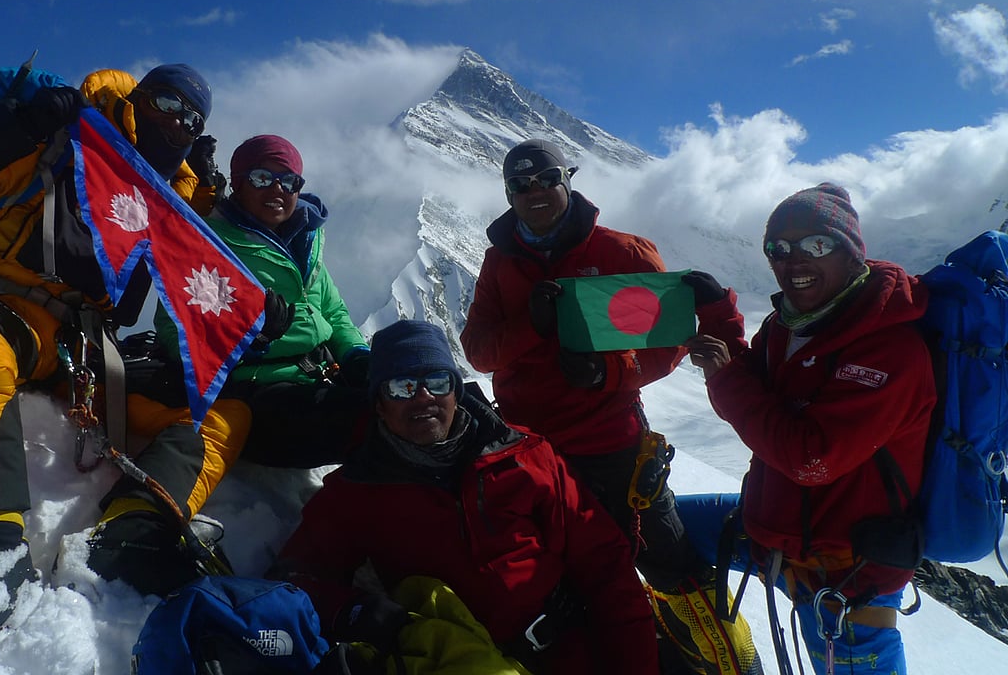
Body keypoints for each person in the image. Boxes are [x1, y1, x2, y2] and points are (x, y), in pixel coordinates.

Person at [0, 62, 253, 670]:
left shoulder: (175, 193)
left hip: (85, 344)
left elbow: (205, 270)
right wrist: (19, 124)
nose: (176, 122)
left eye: (192, 119)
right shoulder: (61, 135)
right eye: (166, 101)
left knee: (220, 411)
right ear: (138, 96)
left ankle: (135, 530)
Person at [459, 138, 761, 675]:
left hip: (613, 449)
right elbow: (479, 351)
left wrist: (608, 373)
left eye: (546, 179)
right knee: (574, 581)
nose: (534, 193)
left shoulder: (623, 253)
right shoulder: (498, 263)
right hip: (530, 455)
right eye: (519, 186)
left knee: (674, 567)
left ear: (568, 180)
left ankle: (732, 666)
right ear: (508, 194)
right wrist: (533, 325)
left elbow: (667, 344)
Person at [269, 319, 660, 674]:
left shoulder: (527, 455)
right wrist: (357, 612)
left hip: (574, 649)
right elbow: (295, 579)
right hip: (457, 660)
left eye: (437, 382)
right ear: (379, 404)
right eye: (402, 386)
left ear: (456, 392)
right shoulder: (357, 491)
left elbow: (606, 565)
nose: (423, 397)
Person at [683, 183, 935, 675]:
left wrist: (726, 380)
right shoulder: (788, 326)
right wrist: (719, 316)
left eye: (815, 245)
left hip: (847, 585)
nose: (793, 260)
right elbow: (755, 384)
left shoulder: (890, 349)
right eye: (778, 248)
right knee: (652, 526)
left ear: (850, 251)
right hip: (777, 536)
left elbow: (811, 460)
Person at [155, 133, 370, 468]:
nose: (277, 190)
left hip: (322, 374)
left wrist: (357, 355)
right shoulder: (207, 246)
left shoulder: (305, 241)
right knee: (374, 420)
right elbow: (174, 331)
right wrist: (250, 339)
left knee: (417, 384)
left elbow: (334, 311)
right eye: (261, 178)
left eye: (288, 181)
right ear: (239, 184)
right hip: (258, 391)